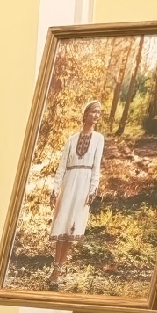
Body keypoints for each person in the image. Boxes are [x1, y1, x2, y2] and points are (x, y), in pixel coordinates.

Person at [49, 101, 106, 270]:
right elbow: (62, 167)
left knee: (72, 225)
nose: (96, 115)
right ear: (85, 114)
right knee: (62, 222)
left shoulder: (99, 139)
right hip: (69, 182)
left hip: (84, 184)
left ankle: (60, 267)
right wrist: (55, 189)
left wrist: (93, 189)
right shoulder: (71, 140)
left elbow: (96, 167)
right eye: (93, 111)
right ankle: (55, 266)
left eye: (99, 112)